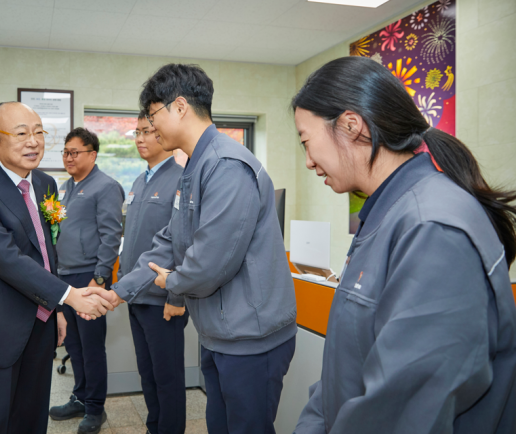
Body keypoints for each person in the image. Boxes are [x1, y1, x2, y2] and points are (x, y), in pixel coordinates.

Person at [292, 56, 516, 433]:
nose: (310, 162)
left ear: (351, 125)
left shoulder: (432, 229)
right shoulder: (386, 214)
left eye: (306, 142)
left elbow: (405, 411)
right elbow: (345, 369)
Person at [95, 64, 298, 434]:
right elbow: (169, 241)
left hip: (250, 338)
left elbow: (210, 264)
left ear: (181, 107)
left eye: (154, 115)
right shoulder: (194, 167)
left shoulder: (225, 165)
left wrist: (171, 282)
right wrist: (118, 292)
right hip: (220, 332)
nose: (151, 127)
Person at [0, 102, 114, 434]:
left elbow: (46, 252)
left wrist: (57, 310)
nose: (33, 141)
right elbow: (6, 257)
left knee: (32, 419)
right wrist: (70, 297)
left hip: (40, 320)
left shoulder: (45, 184)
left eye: (38, 132)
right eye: (21, 133)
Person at [48, 127, 124, 434]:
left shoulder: (105, 186)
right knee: (75, 345)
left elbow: (111, 235)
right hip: (65, 278)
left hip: (88, 276)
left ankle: (95, 408)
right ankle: (79, 397)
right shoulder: (63, 188)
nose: (68, 157)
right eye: (65, 152)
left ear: (92, 154)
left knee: (92, 347)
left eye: (74, 152)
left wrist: (100, 278)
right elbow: (54, 233)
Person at [118, 111, 189, 434]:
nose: (141, 139)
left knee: (168, 377)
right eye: (137, 133)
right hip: (136, 295)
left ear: (162, 135)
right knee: (147, 374)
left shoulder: (181, 179)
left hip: (163, 298)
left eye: (148, 132)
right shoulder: (137, 181)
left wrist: (177, 295)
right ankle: (154, 427)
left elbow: (184, 245)